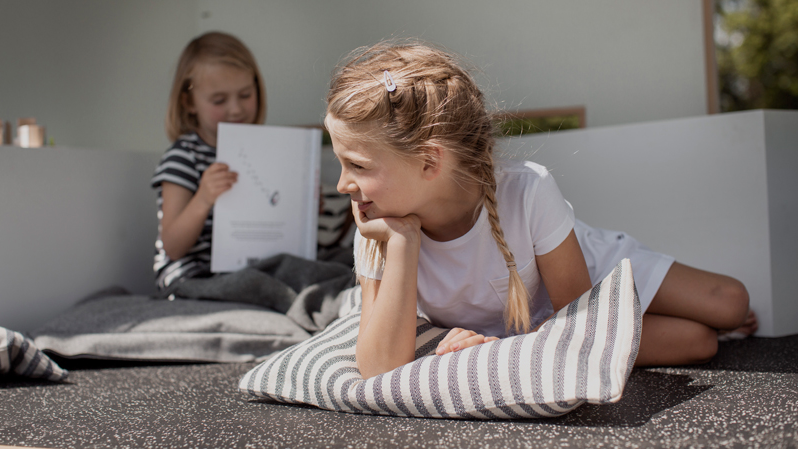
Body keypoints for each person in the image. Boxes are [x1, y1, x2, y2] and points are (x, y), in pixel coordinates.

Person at [323, 41, 757, 380]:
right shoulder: (377, 224)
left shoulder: (528, 189)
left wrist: (509, 347)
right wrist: (403, 242)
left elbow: (579, 321)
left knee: (731, 303)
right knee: (700, 342)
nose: (343, 185)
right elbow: (379, 369)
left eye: (357, 166)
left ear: (430, 161)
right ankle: (641, 330)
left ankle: (638, 318)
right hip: (537, 331)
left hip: (587, 288)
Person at [151, 32, 266, 291]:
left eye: (246, 95)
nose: (236, 109)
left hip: (248, 267)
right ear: (189, 102)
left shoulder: (264, 150)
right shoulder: (183, 157)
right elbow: (173, 247)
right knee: (250, 284)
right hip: (192, 273)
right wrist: (203, 198)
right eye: (219, 100)